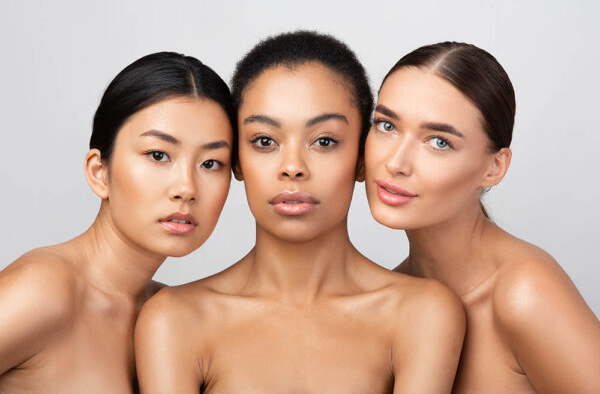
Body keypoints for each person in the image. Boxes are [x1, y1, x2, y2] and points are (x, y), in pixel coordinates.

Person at [135, 31, 465, 394]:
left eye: (324, 141)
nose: (292, 167)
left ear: (361, 159)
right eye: (265, 141)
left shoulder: (423, 313)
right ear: (238, 162)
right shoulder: (174, 320)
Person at [364, 41, 600, 393]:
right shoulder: (389, 302)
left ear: (494, 167)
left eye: (439, 141)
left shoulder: (524, 294)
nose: (396, 162)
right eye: (386, 125)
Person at [0, 52, 236, 394]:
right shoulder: (44, 290)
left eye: (212, 163)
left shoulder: (174, 315)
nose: (186, 187)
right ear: (100, 172)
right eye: (158, 155)